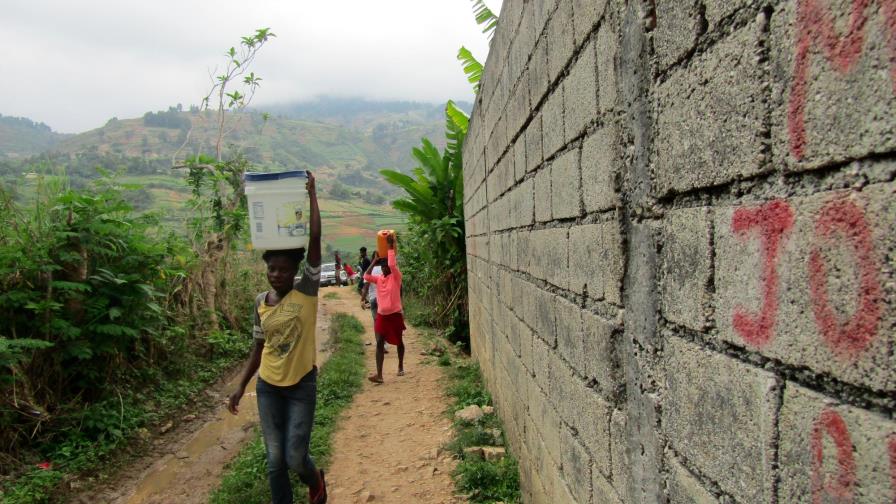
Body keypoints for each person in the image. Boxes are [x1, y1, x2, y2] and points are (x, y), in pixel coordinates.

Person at [227, 172, 328, 504]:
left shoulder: (306, 291)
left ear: (294, 271)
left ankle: (315, 480)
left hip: (301, 386)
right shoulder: (260, 302)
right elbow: (258, 348)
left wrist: (312, 195)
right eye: (272, 269)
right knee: (274, 461)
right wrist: (242, 386)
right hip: (269, 386)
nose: (277, 275)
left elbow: (314, 241)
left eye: (284, 270)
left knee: (295, 457)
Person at [363, 235, 405, 383]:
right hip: (382, 315)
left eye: (385, 265)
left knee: (399, 340)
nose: (384, 267)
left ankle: (400, 365)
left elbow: (393, 266)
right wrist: (374, 260)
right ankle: (379, 375)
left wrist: (390, 247)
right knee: (379, 341)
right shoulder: (379, 278)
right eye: (382, 266)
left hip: (395, 314)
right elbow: (366, 276)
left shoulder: (396, 277)